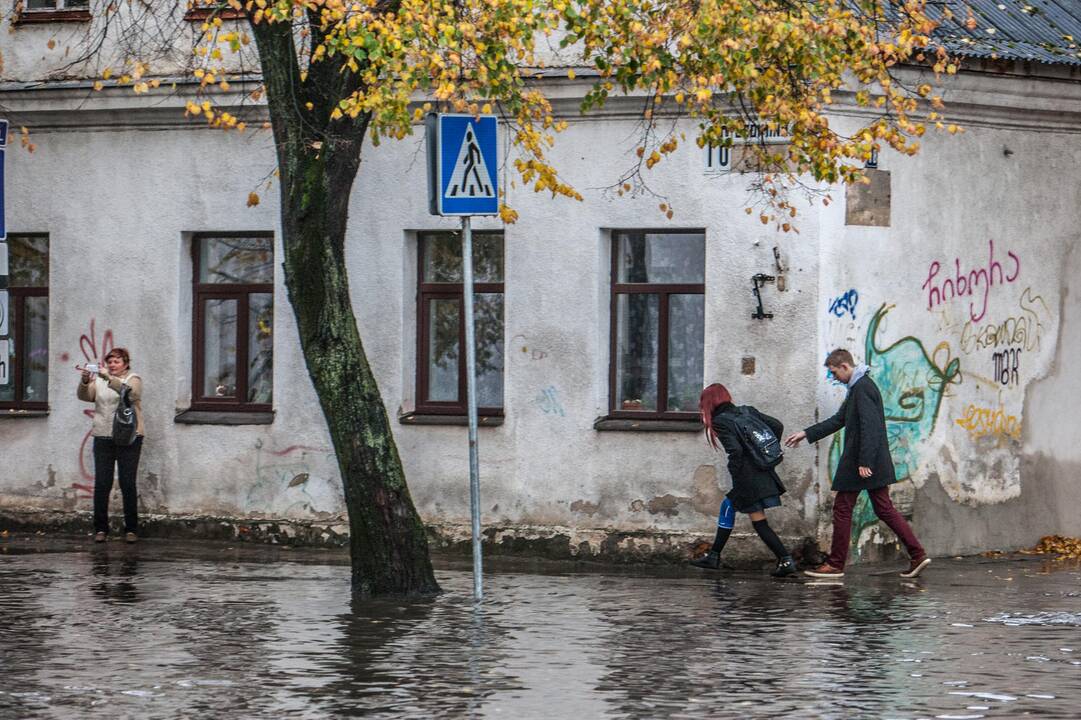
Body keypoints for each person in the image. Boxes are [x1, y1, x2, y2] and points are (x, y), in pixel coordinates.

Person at [784, 349, 930, 579]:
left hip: (862, 463)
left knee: (843, 509)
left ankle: (835, 564)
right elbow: (839, 420)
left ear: (844, 366)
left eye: (834, 372)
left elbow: (870, 427)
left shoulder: (862, 388)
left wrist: (864, 461)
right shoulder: (858, 388)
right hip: (871, 461)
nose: (833, 378)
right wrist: (806, 433)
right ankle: (917, 554)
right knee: (884, 508)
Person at [689, 383, 797, 578]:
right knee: (732, 508)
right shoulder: (747, 411)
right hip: (761, 472)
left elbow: (735, 451)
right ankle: (714, 556)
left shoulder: (721, 421)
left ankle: (786, 560)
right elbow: (777, 426)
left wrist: (736, 471)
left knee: (756, 521)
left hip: (747, 478)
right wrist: (763, 452)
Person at [77, 347, 144, 544]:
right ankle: (100, 529)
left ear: (125, 363)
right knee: (102, 484)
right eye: (110, 362)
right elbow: (85, 396)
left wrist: (108, 378)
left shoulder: (133, 378)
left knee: (127, 482)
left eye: (116, 362)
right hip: (103, 435)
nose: (112, 365)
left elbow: (131, 395)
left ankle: (131, 529)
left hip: (129, 437)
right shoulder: (99, 380)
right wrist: (85, 381)